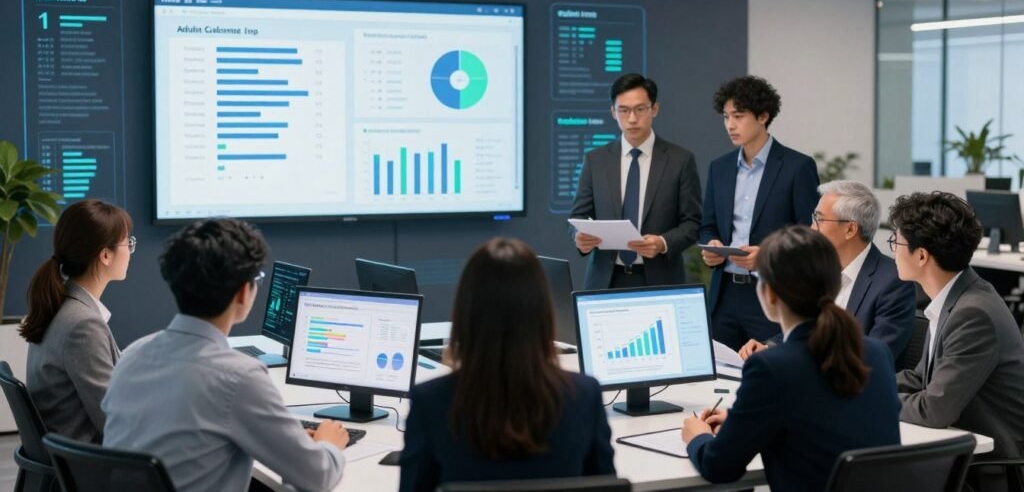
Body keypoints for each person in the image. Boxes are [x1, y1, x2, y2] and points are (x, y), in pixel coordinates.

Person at [101, 218, 347, 492]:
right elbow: (318, 477)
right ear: (244, 292)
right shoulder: (238, 377)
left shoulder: (132, 355)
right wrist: (329, 444)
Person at [682, 226, 900, 491]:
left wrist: (698, 437)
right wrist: (743, 420)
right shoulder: (877, 352)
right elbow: (824, 418)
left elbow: (719, 467)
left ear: (770, 293)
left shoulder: (771, 368)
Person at [399, 238, 614, 491]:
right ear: (543, 313)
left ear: (465, 312)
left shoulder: (431, 402)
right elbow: (606, 485)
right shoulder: (583, 396)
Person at [890, 192, 1024, 465]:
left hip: (991, 468)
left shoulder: (973, 314)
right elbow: (920, 379)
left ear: (922, 256)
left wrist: (874, 402)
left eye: (897, 242)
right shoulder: (955, 298)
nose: (893, 251)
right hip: (962, 450)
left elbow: (933, 410)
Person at [698, 75, 819, 350]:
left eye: (738, 116)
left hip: (771, 292)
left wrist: (768, 256)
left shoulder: (797, 167)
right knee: (718, 373)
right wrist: (712, 245)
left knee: (769, 371)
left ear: (763, 116)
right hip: (724, 293)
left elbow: (810, 236)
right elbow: (708, 225)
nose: (730, 124)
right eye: (726, 116)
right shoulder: (720, 168)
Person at [739, 180, 916, 362]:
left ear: (850, 229)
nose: (812, 228)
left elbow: (875, 357)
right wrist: (769, 348)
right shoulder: (818, 270)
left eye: (819, 219)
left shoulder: (893, 281)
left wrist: (796, 362)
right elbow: (805, 331)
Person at [569, 73, 702, 290]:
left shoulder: (680, 160)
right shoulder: (595, 160)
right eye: (624, 110)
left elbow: (692, 223)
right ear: (613, 112)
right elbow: (578, 216)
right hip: (606, 279)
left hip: (660, 279)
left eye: (640, 109)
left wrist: (663, 243)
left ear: (654, 109)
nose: (632, 119)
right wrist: (579, 237)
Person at [20, 199, 133, 443]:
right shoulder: (83, 325)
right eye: (128, 243)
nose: (131, 250)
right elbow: (112, 421)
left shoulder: (61, 305)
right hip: (92, 467)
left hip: (71, 458)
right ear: (105, 255)